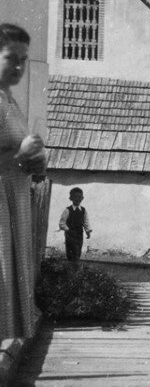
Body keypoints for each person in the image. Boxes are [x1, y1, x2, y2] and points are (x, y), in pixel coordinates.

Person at [0, 23, 46, 340]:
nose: (18, 66)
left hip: (12, 204)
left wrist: (34, 163)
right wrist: (19, 155)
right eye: (10, 57)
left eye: (24, 59)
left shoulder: (9, 100)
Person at [58, 187, 92, 262]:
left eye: (79, 197)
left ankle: (75, 267)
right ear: (71, 198)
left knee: (78, 251)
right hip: (70, 235)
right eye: (75, 197)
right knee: (71, 252)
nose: (77, 199)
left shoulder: (83, 210)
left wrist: (88, 231)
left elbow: (86, 222)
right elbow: (62, 223)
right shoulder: (67, 210)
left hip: (79, 234)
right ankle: (72, 267)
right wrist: (68, 230)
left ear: (82, 198)